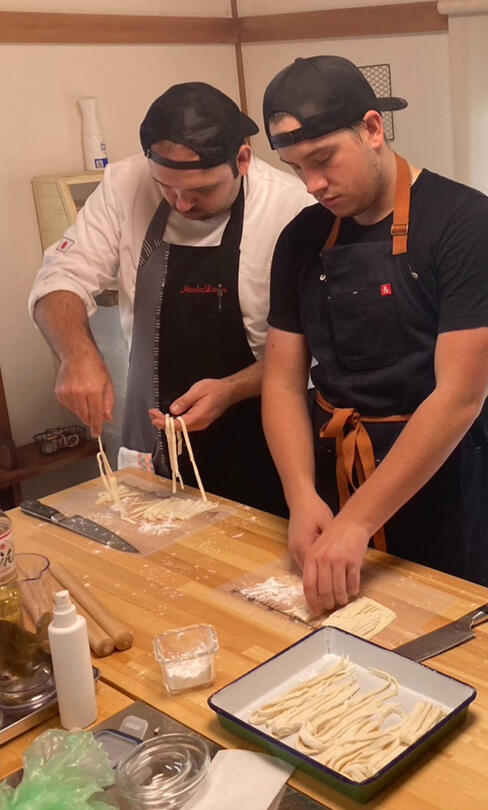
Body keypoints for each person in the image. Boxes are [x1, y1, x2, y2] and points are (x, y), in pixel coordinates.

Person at [261, 55, 488, 614]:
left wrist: (358, 520)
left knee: (456, 635)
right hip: (336, 464)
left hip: (445, 472)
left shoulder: (466, 224)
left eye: (323, 159)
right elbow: (282, 383)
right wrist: (301, 495)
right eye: (295, 169)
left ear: (373, 128)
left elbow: (459, 397)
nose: (313, 185)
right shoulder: (301, 239)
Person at [29, 82, 311, 516]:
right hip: (156, 437)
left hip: (268, 434)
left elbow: (316, 349)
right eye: (166, 187)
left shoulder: (292, 208)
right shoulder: (124, 184)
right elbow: (61, 276)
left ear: (243, 159)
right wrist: (76, 355)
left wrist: (232, 389)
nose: (181, 204)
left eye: (201, 191)